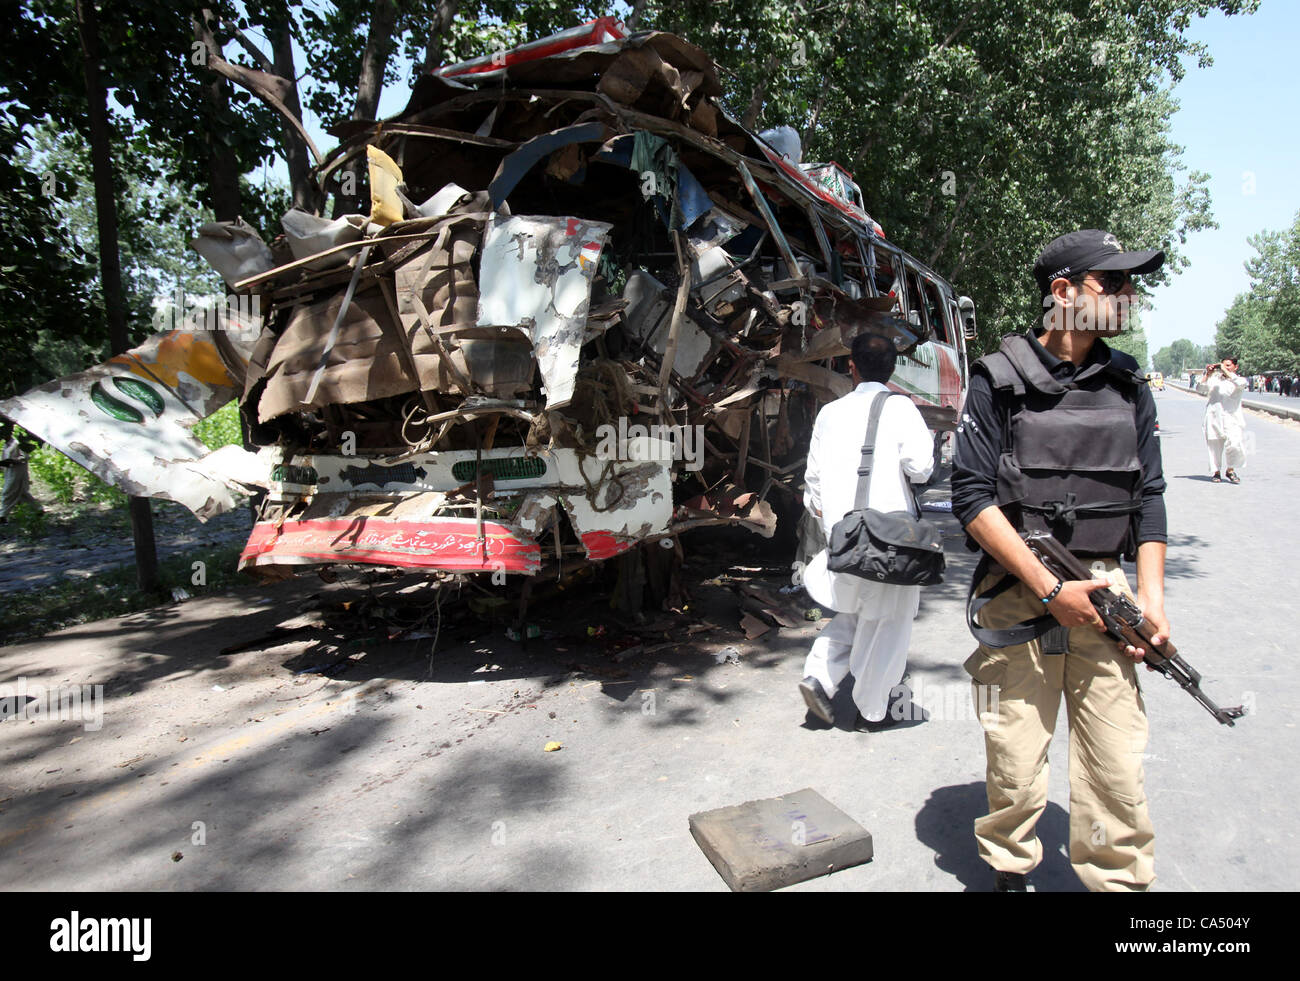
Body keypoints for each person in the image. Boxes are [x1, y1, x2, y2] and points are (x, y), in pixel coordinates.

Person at [951, 228, 1171, 892]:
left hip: (1105, 591)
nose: (1131, 294)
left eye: (1133, 283)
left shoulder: (1130, 384)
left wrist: (1153, 600)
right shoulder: (998, 379)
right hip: (1020, 587)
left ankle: (1119, 882)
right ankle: (1012, 867)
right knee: (1015, 756)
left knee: (1117, 765)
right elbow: (971, 495)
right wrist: (1049, 588)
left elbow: (1150, 498)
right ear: (1064, 292)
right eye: (1115, 283)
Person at [798, 328, 934, 732]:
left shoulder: (829, 414)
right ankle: (874, 709)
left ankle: (819, 678)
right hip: (891, 538)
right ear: (893, 369)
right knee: (890, 621)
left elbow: (813, 485)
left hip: (843, 535)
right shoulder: (902, 408)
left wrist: (832, 526)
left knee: (853, 611)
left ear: (851, 367)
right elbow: (922, 468)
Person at [1202, 357, 1247, 483]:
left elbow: (1239, 383)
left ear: (1235, 367)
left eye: (1228, 365)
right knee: (1214, 446)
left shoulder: (1240, 380)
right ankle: (1216, 472)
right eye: (1223, 365)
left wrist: (1225, 371)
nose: (1224, 368)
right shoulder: (1214, 380)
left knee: (1235, 444)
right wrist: (1208, 374)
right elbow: (1200, 389)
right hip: (1214, 416)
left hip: (1232, 418)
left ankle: (1230, 470)